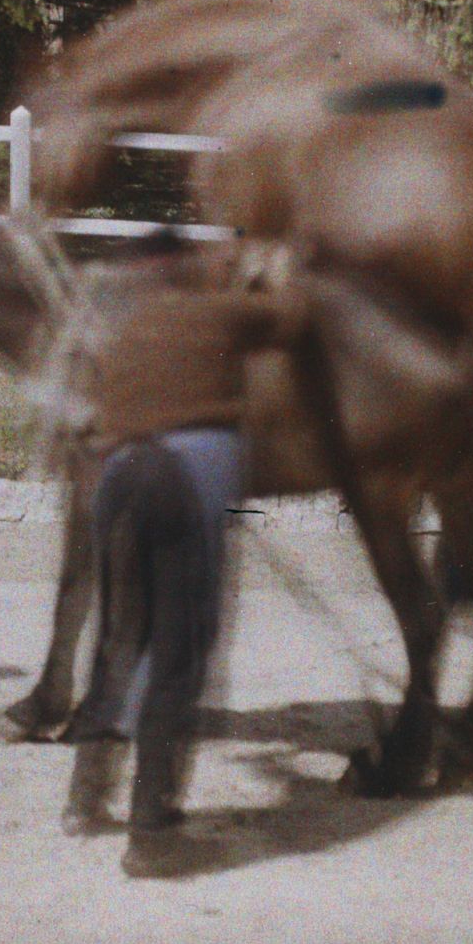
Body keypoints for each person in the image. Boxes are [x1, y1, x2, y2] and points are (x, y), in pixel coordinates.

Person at [60, 241, 311, 877]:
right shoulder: (218, 311)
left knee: (119, 638)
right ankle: (152, 836)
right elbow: (295, 320)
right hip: (187, 475)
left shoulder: (128, 325)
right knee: (181, 650)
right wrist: (270, 275)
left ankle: (85, 797)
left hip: (118, 477)